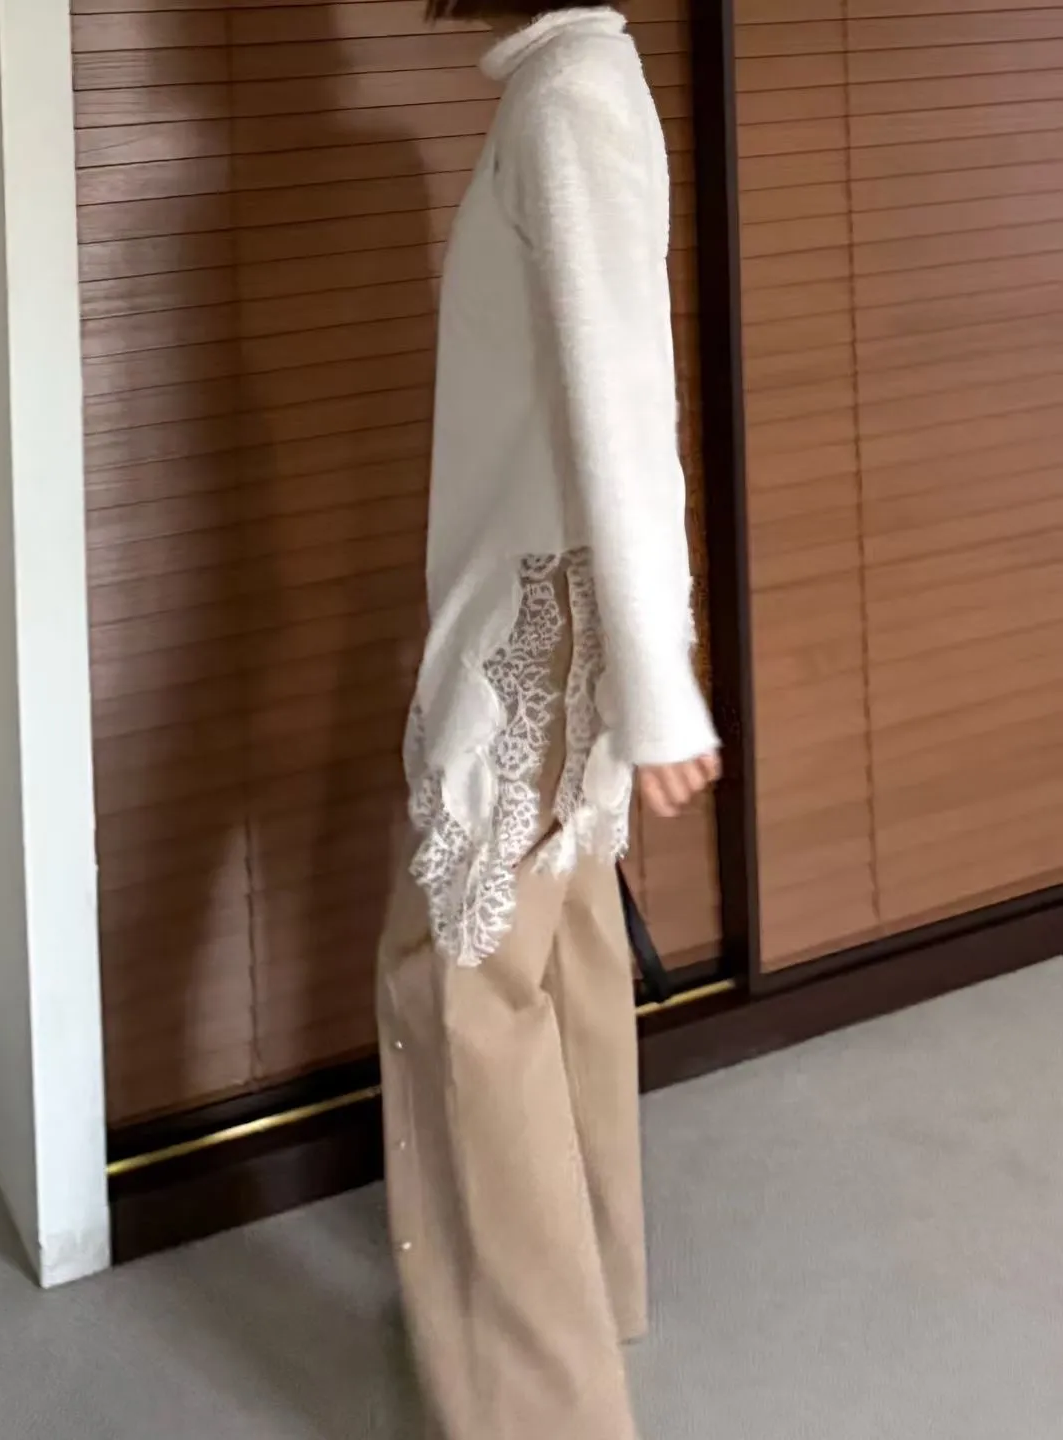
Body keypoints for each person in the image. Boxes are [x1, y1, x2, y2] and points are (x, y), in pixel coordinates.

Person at [376, 4, 722, 1437]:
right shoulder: (585, 76)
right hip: (551, 598)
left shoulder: (564, 103)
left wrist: (655, 681)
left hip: (528, 616)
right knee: (560, 960)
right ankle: (595, 1292)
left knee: (458, 992)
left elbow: (622, 404)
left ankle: (537, 1404)